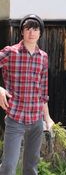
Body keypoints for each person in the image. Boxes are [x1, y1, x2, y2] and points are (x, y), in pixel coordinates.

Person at [0, 14, 54, 175]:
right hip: (15, 118)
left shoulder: (43, 57)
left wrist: (48, 118)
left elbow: (43, 91)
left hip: (36, 121)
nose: (32, 32)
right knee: (8, 167)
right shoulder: (10, 52)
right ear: (22, 32)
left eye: (35, 29)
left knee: (31, 168)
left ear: (40, 33)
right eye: (28, 28)